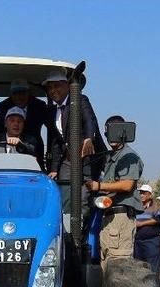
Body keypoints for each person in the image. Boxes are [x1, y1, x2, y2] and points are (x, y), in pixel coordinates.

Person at [43, 70, 106, 212]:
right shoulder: (52, 111)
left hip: (86, 157)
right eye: (50, 87)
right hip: (68, 159)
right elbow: (56, 142)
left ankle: (80, 231)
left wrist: (89, 138)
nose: (53, 90)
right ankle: (67, 230)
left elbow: (90, 120)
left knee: (82, 197)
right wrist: (53, 168)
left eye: (57, 86)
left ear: (67, 86)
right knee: (65, 194)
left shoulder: (80, 100)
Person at [85, 115, 142, 267]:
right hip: (109, 216)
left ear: (123, 132)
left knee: (119, 267)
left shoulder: (128, 156)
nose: (110, 136)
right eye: (107, 133)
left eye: (114, 131)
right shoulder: (112, 156)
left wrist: (99, 186)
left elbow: (127, 185)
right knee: (107, 264)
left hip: (120, 217)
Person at [0, 78, 47, 159]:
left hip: (33, 145)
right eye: (15, 93)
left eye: (22, 93)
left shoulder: (39, 106)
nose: (18, 97)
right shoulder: (4, 106)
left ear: (28, 93)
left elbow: (50, 127)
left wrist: (24, 144)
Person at [133, 184, 160, 272]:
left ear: (150, 195)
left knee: (152, 266)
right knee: (139, 265)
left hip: (151, 241)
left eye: (144, 193)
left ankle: (154, 285)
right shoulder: (136, 206)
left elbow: (159, 219)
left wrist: (141, 224)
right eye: (140, 193)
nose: (141, 195)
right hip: (138, 241)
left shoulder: (155, 206)